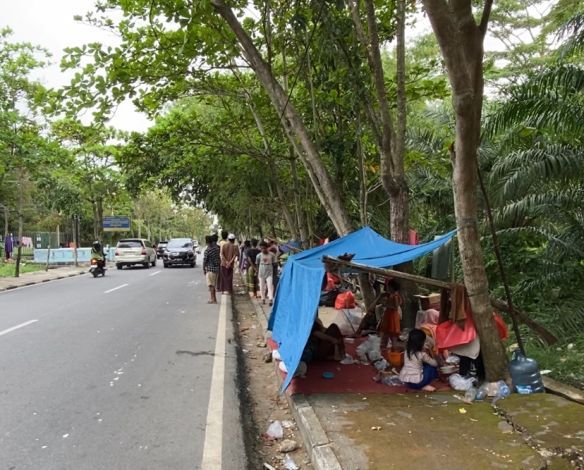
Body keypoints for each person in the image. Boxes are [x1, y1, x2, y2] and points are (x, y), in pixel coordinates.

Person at [376, 280, 403, 349]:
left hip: (392, 315)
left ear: (392, 287)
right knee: (386, 332)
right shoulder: (391, 295)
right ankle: (384, 347)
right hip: (388, 315)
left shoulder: (395, 296)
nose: (387, 287)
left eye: (388, 286)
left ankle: (393, 348)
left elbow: (396, 307)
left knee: (392, 333)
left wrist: (386, 305)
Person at [256, 241, 276, 305]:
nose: (263, 250)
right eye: (261, 248)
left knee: (270, 286)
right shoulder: (258, 256)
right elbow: (257, 264)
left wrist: (275, 273)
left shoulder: (272, 255)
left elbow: (274, 263)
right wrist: (257, 272)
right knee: (262, 287)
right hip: (261, 272)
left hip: (269, 272)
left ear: (267, 248)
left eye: (264, 248)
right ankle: (263, 299)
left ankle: (270, 299)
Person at [203, 235, 221, 304]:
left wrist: (204, 269)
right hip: (216, 269)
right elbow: (219, 259)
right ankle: (214, 299)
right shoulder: (216, 249)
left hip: (210, 269)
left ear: (207, 242)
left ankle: (213, 299)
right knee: (213, 285)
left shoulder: (207, 250)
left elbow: (205, 261)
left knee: (211, 285)